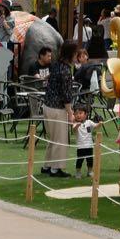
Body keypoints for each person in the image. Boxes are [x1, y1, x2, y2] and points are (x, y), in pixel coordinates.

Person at [41, 42, 77, 178]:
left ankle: (47, 165)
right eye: (75, 54)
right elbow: (66, 94)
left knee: (53, 138)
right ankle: (56, 168)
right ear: (71, 54)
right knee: (60, 140)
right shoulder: (66, 70)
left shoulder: (55, 65)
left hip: (47, 105)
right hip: (58, 108)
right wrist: (70, 113)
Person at [72, 103, 96, 179]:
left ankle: (90, 172)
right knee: (80, 160)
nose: (78, 115)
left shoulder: (89, 122)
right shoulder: (75, 124)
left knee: (90, 160)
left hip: (89, 146)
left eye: (80, 113)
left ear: (85, 114)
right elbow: (74, 129)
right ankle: (78, 172)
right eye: (76, 114)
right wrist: (78, 125)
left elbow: (95, 126)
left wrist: (100, 124)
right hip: (81, 147)